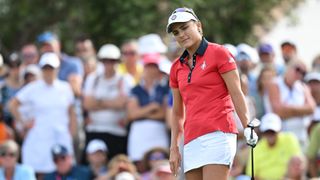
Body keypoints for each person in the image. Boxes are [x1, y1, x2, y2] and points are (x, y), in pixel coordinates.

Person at [166, 7, 258, 180]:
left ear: (198, 26)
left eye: (185, 27)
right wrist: (174, 148)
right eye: (176, 32)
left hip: (219, 133)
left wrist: (247, 126)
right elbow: (178, 112)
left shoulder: (219, 53)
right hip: (191, 138)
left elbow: (236, 92)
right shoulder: (176, 67)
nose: (181, 34)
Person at [9, 52, 77, 177]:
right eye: (45, 69)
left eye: (51, 68)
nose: (48, 72)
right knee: (38, 173)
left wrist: (70, 134)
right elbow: (13, 104)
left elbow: (71, 113)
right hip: (39, 137)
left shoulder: (65, 87)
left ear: (57, 69)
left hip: (60, 136)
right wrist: (23, 122)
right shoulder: (33, 87)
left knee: (63, 172)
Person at [83, 44, 134, 160]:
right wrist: (112, 103)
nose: (108, 64)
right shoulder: (93, 78)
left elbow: (122, 103)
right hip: (94, 131)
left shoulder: (125, 79)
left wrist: (98, 103)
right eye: (105, 61)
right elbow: (87, 104)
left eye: (112, 61)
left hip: (117, 132)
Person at [126, 53, 170, 169]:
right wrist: (153, 107)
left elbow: (164, 114)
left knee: (161, 165)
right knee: (139, 165)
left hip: (158, 131)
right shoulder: (135, 89)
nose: (151, 70)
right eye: (148, 66)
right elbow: (132, 114)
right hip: (140, 133)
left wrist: (142, 113)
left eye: (154, 66)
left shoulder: (165, 89)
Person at [264, 60, 316, 149]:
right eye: (298, 69)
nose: (300, 74)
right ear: (288, 68)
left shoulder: (303, 87)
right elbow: (278, 111)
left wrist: (288, 109)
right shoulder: (274, 84)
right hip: (281, 139)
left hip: (301, 138)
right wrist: (302, 111)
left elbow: (312, 108)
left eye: (304, 73)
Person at [246, 113, 302, 179]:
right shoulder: (256, 148)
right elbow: (251, 175)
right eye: (267, 131)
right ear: (263, 132)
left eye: (273, 131)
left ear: (279, 130)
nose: (270, 134)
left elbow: (298, 163)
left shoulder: (290, 139)